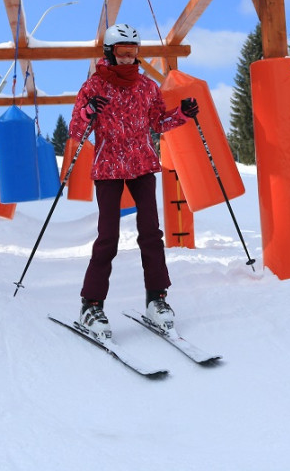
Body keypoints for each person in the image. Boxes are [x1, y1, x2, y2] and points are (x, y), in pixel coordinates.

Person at [69, 23, 199, 342]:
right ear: (109, 54)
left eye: (132, 53)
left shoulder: (147, 87)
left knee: (151, 234)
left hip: (141, 165)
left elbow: (158, 122)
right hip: (109, 167)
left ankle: (157, 299)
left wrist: (182, 113)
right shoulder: (94, 86)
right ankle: (91, 304)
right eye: (122, 53)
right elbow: (75, 129)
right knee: (108, 237)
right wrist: (88, 112)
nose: (128, 59)